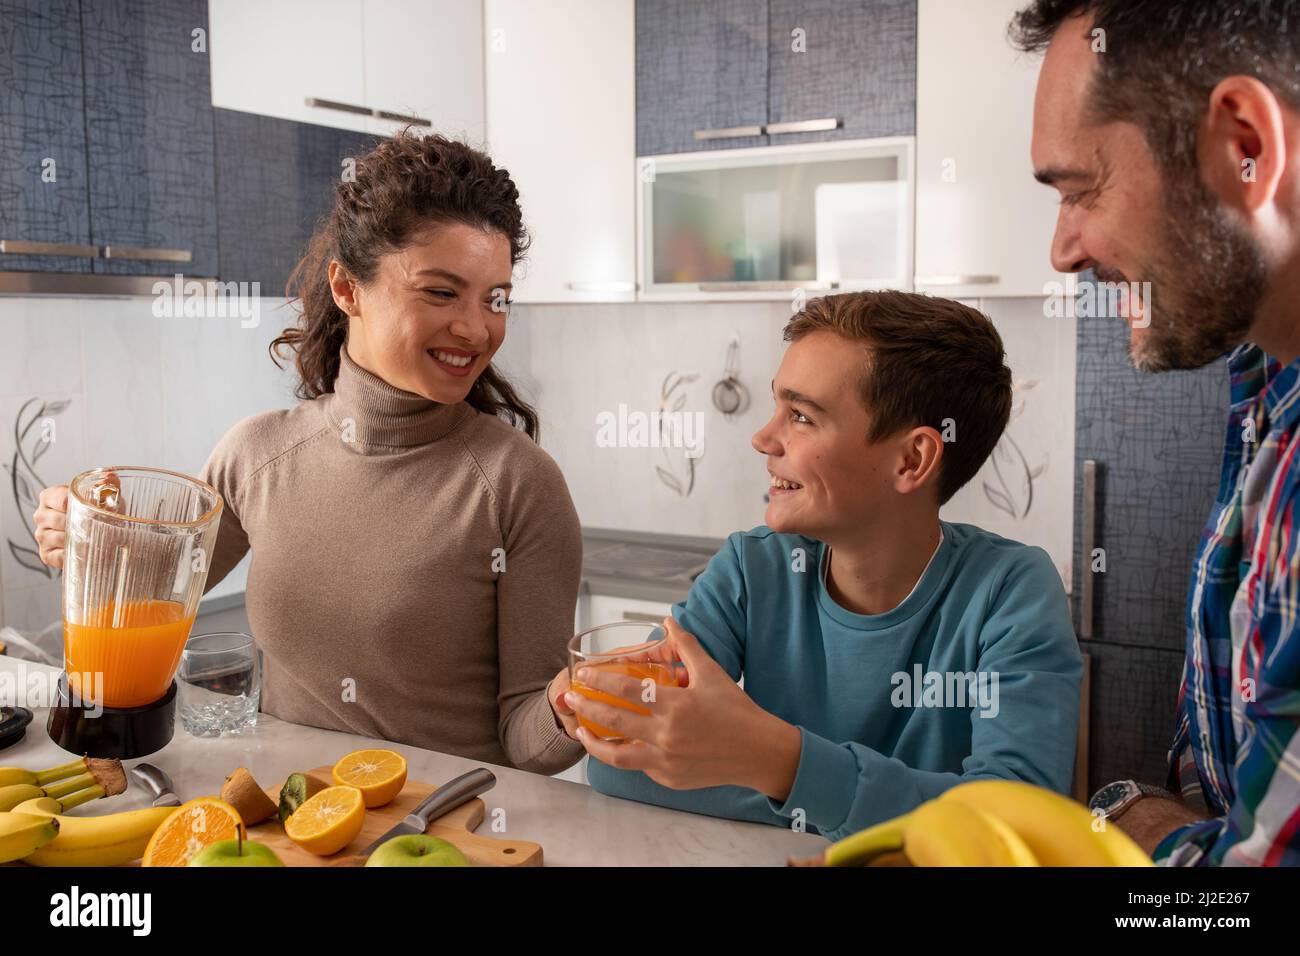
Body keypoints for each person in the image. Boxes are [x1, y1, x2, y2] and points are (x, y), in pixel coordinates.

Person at [33, 133, 586, 776]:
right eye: (441, 293)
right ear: (348, 289)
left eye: (495, 299)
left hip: (448, 826)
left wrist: (572, 705)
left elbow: (528, 739)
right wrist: (89, 539)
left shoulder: (518, 485)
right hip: (287, 823)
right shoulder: (257, 455)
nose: (475, 327)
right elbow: (142, 606)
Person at [548, 291, 1083, 842]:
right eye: (778, 407)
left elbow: (1019, 824)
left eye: (801, 416)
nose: (763, 438)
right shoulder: (752, 569)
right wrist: (809, 785)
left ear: (912, 459)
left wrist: (776, 762)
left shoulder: (1011, 593)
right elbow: (621, 763)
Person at [1011, 0, 1300, 865]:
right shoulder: (1267, 377)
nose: (1063, 250)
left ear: (1243, 145)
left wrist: (1130, 820)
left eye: (1080, 189)